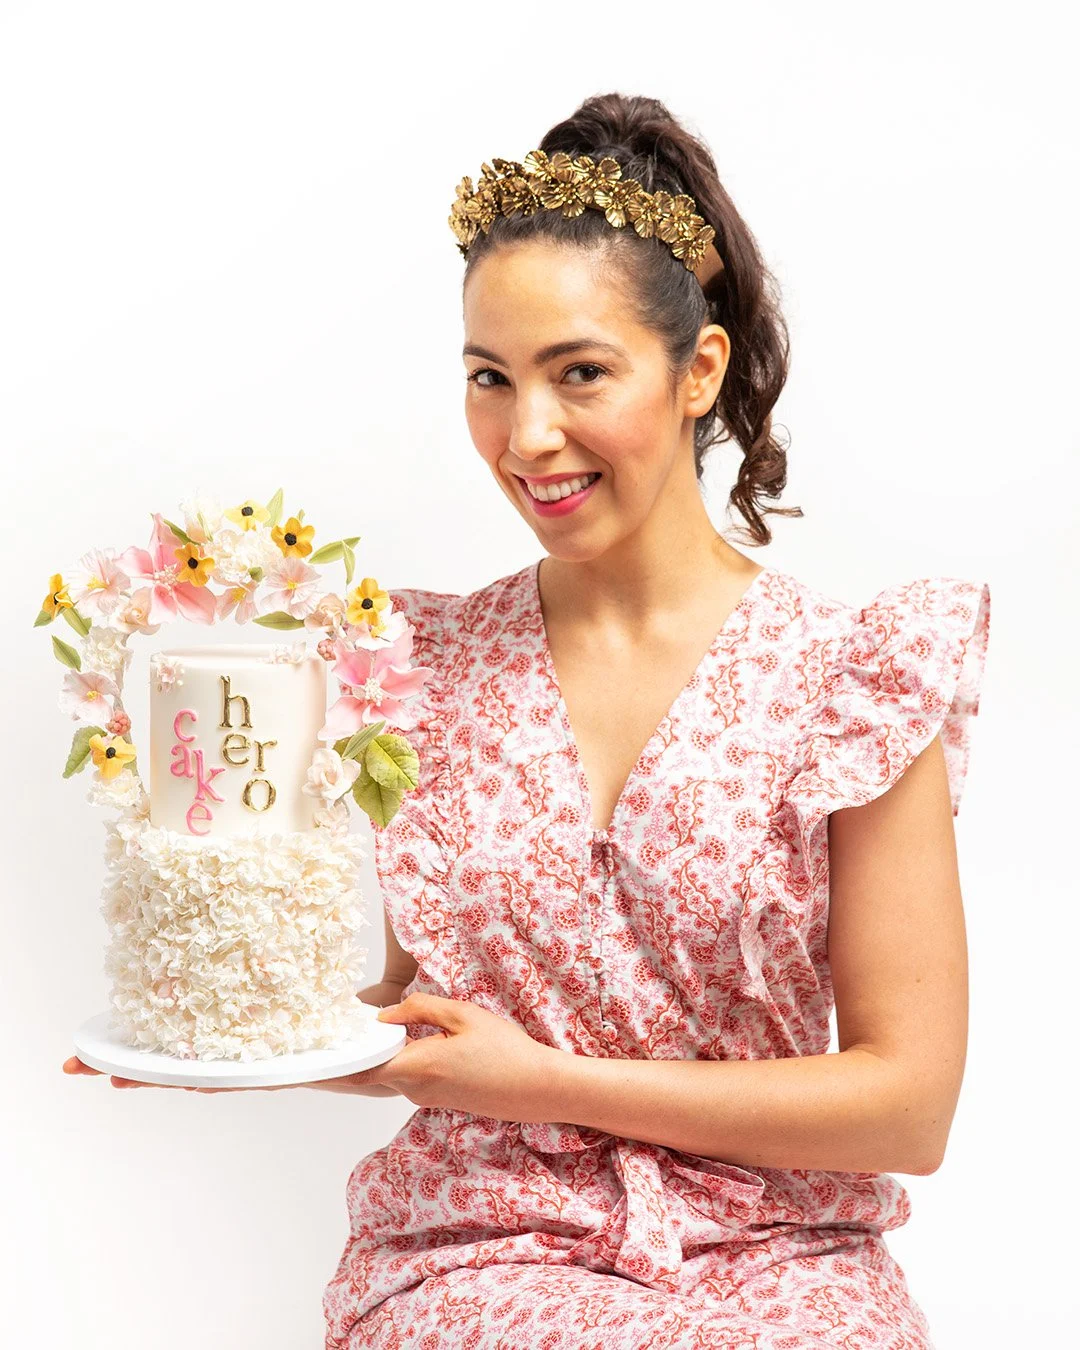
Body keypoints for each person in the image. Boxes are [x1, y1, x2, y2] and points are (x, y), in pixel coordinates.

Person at [68, 93, 992, 1349]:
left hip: (779, 1255)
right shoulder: (420, 667)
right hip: (480, 1246)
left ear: (696, 372)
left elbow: (907, 1108)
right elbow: (415, 1022)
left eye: (581, 373)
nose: (528, 435)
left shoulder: (853, 680)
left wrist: (545, 1082)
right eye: (490, 379)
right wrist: (218, 1037)